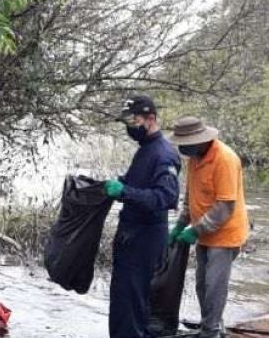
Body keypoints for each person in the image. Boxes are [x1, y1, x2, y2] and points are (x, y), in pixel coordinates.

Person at [104, 95, 181, 338]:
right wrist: (122, 184)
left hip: (145, 239)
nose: (130, 127)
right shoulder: (145, 150)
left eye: (133, 120)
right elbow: (141, 185)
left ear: (150, 119)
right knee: (122, 299)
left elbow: (165, 198)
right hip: (131, 236)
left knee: (133, 301)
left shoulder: (164, 154)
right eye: (127, 122)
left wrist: (125, 192)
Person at [167, 116, 249, 338]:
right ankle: (211, 324)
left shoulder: (225, 159)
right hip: (205, 232)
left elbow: (225, 206)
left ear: (200, 140)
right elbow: (190, 197)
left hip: (225, 233)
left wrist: (195, 230)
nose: (182, 148)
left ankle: (211, 331)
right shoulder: (195, 158)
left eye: (186, 143)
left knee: (214, 285)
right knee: (202, 284)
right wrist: (180, 225)